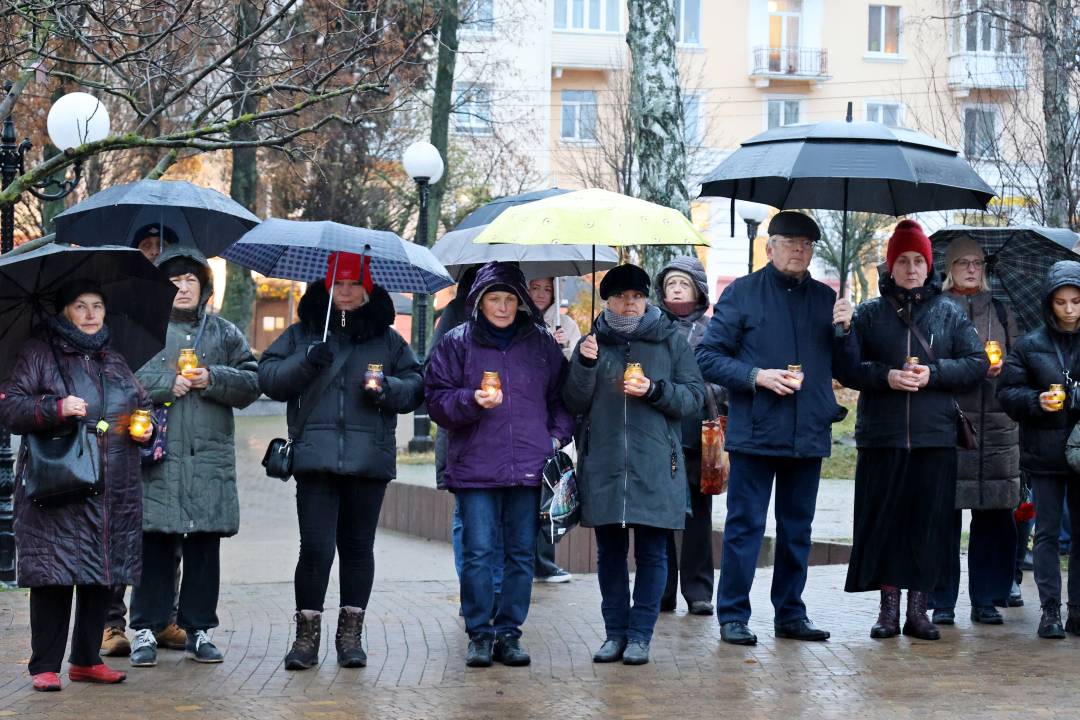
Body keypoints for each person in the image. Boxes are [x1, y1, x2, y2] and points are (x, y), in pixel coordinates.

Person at [695, 211, 856, 646]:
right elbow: (707, 357)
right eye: (789, 242)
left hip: (809, 432)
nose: (798, 250)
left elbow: (848, 370)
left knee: (798, 529)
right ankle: (733, 614)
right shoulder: (743, 293)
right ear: (769, 248)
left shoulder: (827, 299)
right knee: (745, 526)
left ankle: (790, 613)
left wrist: (846, 330)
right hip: (756, 431)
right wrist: (756, 376)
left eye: (806, 244)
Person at [259, 252, 424, 669]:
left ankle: (350, 638)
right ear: (326, 286)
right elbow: (269, 378)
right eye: (339, 284)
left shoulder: (388, 340)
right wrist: (307, 360)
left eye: (354, 285)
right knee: (315, 549)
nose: (346, 292)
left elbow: (416, 385)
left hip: (369, 461)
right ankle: (305, 639)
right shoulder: (303, 333)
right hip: (315, 460)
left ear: (368, 290)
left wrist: (387, 388)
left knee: (357, 549)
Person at [0, 281, 153, 691]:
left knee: (100, 574)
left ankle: (86, 660)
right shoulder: (38, 352)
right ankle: (44, 665)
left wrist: (146, 430)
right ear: (64, 311)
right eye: (80, 306)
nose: (90, 314)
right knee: (54, 574)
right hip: (59, 485)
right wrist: (55, 407)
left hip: (113, 486)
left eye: (97, 306)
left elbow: (142, 405)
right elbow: (11, 408)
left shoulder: (114, 359)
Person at [839, 220, 987, 641]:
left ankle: (919, 611)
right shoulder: (869, 313)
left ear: (928, 266)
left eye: (918, 260)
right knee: (885, 523)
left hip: (933, 438)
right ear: (890, 265)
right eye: (902, 260)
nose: (910, 268)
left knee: (928, 524)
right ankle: (888, 610)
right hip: (882, 437)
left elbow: (976, 364)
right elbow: (847, 369)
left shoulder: (948, 312)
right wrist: (878, 368)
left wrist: (933, 374)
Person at [425, 261, 573, 669]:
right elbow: (435, 399)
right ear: (479, 301)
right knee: (478, 552)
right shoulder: (457, 342)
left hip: (529, 467)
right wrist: (470, 400)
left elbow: (563, 399)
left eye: (510, 299)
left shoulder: (541, 345)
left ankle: (509, 632)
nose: (503, 307)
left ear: (521, 301)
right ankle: (479, 633)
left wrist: (554, 438)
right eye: (495, 299)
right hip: (475, 468)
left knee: (521, 554)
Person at [563, 264, 705, 666]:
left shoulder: (670, 341)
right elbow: (573, 402)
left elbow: (693, 397)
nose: (630, 304)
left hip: (657, 465)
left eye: (637, 296)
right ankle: (614, 634)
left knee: (653, 555)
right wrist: (584, 365)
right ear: (607, 301)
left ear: (647, 299)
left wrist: (654, 390)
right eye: (621, 297)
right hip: (604, 464)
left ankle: (640, 636)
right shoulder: (591, 343)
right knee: (609, 555)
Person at [127, 245, 260, 667]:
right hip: (159, 459)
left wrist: (213, 377)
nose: (183, 288)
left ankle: (198, 630)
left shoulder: (223, 333)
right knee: (155, 545)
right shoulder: (144, 329)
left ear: (204, 287)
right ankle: (146, 628)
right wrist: (166, 383)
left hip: (208, 461)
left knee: (204, 547)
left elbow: (252, 381)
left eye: (190, 280)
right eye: (174, 281)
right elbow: (124, 378)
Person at [103, 222, 186, 658]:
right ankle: (110, 623)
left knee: (167, 534)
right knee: (121, 531)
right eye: (147, 246)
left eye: (161, 246)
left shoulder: (185, 304)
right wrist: (162, 384)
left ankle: (164, 616)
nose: (155, 253)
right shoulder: (120, 303)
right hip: (124, 435)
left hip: (175, 439)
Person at [928, 237, 1021, 626]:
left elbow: (1022, 362)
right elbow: (929, 364)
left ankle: (987, 598)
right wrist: (971, 368)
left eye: (978, 263)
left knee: (995, 518)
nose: (971, 269)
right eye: (963, 262)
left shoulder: (999, 310)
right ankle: (942, 600)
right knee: (944, 519)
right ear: (949, 268)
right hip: (951, 424)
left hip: (999, 429)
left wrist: (1003, 369)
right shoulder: (936, 309)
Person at [999, 259, 1080, 639]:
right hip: (1045, 453)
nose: (1069, 310)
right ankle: (1050, 611)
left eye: (1076, 301)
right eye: (1061, 302)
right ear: (1049, 303)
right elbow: (1007, 393)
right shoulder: (1030, 345)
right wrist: (1036, 400)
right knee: (1046, 533)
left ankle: (1077, 610)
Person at [654, 256, 724, 616]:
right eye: (671, 284)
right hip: (660, 433)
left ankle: (698, 591)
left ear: (698, 290)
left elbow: (724, 375)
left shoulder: (713, 330)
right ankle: (661, 590)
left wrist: (697, 390)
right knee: (660, 516)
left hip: (699, 435)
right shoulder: (652, 327)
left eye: (684, 283)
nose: (677, 289)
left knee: (698, 516)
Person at [527, 275, 582, 584]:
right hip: (528, 415)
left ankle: (544, 561)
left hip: (554, 417)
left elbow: (577, 371)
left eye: (547, 289)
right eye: (535, 287)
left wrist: (562, 347)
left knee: (550, 490)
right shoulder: (518, 321)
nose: (541, 294)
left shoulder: (567, 325)